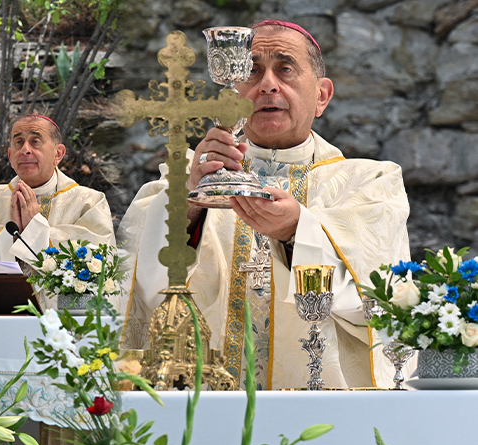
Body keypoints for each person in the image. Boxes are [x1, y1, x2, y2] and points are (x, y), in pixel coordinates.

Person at [121, 20, 410, 390]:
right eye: (252, 70)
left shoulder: (368, 185)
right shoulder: (187, 177)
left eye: (286, 69)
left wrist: (296, 233)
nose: (268, 85)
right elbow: (142, 292)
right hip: (206, 402)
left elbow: (378, 310)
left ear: (322, 95)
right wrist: (189, 201)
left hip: (322, 409)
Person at [0, 115, 115, 262]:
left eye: (36, 142)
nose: (25, 150)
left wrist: (34, 228)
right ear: (11, 156)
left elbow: (99, 257)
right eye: (19, 142)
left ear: (58, 154)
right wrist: (9, 236)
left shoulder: (89, 202)